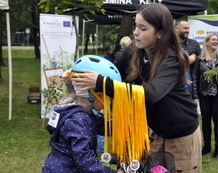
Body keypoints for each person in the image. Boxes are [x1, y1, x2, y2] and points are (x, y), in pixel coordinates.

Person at [64, 3, 201, 173]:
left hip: (181, 134)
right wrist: (79, 73)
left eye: (143, 28)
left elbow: (151, 94)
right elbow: (111, 72)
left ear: (160, 33)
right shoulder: (134, 51)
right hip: (154, 131)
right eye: (136, 26)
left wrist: (101, 82)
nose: (136, 32)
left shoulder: (171, 58)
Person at [41, 55, 123, 173]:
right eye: (107, 99)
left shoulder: (72, 108)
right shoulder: (78, 120)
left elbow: (99, 125)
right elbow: (84, 162)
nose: (108, 104)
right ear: (96, 96)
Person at [192, 33, 218, 158]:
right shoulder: (200, 58)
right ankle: (206, 146)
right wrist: (195, 95)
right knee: (205, 120)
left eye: (217, 40)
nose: (216, 42)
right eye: (213, 40)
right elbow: (195, 76)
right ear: (207, 42)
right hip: (204, 93)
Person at [175, 20, 201, 97]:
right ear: (176, 29)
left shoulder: (194, 43)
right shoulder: (170, 44)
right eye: (185, 28)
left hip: (192, 83)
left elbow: (202, 59)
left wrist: (195, 57)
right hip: (175, 81)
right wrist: (185, 60)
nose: (187, 31)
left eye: (188, 28)